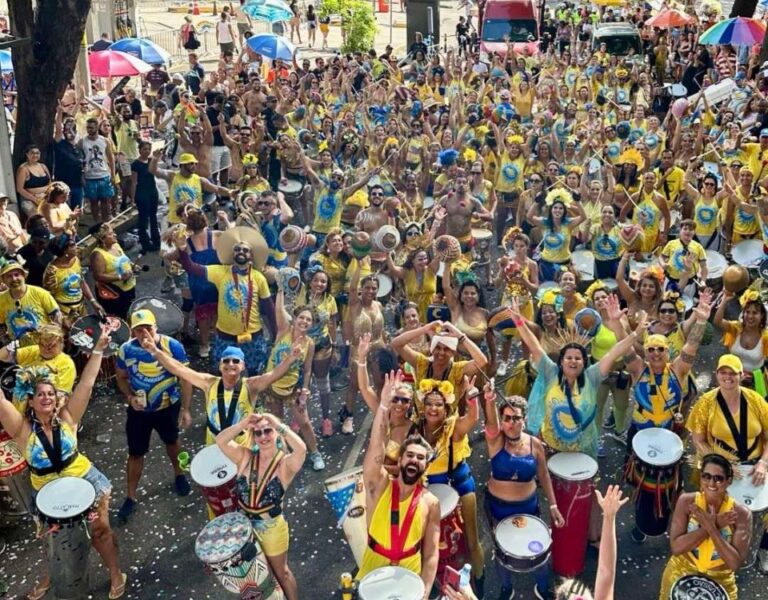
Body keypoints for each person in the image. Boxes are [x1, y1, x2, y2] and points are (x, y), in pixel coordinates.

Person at [0, 332, 127, 600]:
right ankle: (52, 575)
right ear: (31, 401)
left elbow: (88, 383)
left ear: (56, 398)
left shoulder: (68, 417)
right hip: (46, 493)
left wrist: (98, 349)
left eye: (50, 393)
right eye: (40, 394)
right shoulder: (21, 429)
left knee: (101, 532)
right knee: (52, 540)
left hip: (85, 481)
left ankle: (116, 572)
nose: (46, 397)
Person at [358, 370, 441, 596]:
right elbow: (376, 449)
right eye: (410, 455)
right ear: (400, 458)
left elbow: (432, 554)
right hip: (374, 571)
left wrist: (424, 593)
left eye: (421, 457)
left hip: (410, 576)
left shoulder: (431, 502)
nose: (414, 460)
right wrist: (383, 405)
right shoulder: (380, 485)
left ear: (426, 465)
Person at [482, 387, 564, 600]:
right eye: (506, 418)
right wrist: (489, 401)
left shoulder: (535, 444)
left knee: (537, 551)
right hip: (499, 509)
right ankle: (506, 588)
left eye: (516, 418)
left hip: (529, 507)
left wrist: (553, 506)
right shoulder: (496, 441)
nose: (511, 423)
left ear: (524, 420)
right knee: (502, 553)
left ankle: (543, 586)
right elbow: (491, 424)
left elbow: (544, 475)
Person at [216, 411, 306, 600]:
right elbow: (221, 440)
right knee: (253, 577)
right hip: (244, 528)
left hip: (271, 528)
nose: (263, 436)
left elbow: (301, 450)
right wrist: (242, 424)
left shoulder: (285, 463)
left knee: (282, 573)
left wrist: (279, 424)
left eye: (268, 431)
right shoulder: (244, 456)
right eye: (258, 433)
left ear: (276, 433)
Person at [114, 309, 193, 524]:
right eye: (139, 330)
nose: (144, 333)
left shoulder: (171, 346)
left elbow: (186, 378)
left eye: (148, 328)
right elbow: (120, 376)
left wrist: (186, 409)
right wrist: (130, 397)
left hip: (168, 406)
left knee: (173, 441)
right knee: (135, 452)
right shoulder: (125, 350)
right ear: (132, 331)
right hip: (140, 411)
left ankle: (180, 475)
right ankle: (130, 496)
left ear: (155, 327)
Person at [175, 229, 277, 374]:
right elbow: (191, 268)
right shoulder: (220, 272)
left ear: (251, 256)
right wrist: (182, 249)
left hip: (252, 337)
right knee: (224, 374)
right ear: (232, 254)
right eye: (237, 249)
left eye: (245, 250)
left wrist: (276, 335)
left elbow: (269, 309)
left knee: (254, 375)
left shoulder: (259, 278)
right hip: (225, 337)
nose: (241, 251)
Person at [658, 454, 752, 600]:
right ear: (700, 478)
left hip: (720, 581)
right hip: (681, 571)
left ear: (729, 480)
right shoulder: (686, 501)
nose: (712, 483)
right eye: (706, 476)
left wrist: (712, 528)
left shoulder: (740, 514)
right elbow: (676, 548)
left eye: (718, 478)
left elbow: (734, 563)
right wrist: (713, 525)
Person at [263, 287, 325, 470]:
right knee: (277, 422)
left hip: (293, 389)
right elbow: (278, 310)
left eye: (309, 320)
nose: (304, 321)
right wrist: (281, 289)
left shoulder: (310, 344)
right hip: (272, 386)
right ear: (295, 319)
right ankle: (280, 456)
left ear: (312, 325)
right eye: (302, 318)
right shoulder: (283, 331)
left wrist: (305, 390)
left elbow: (307, 370)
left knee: (304, 422)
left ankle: (314, 453)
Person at [43, 233, 104, 330]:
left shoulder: (75, 260)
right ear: (64, 251)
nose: (76, 246)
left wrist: (93, 302)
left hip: (81, 308)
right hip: (65, 312)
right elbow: (48, 298)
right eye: (72, 245)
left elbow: (82, 282)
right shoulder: (52, 272)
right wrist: (61, 318)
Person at [0, 261, 61, 344]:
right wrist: (6, 342)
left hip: (43, 345)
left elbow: (57, 315)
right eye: (9, 276)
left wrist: (54, 339)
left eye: (17, 275)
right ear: (3, 280)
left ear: (24, 276)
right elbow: (1, 326)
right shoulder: (1, 299)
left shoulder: (40, 293)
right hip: (18, 349)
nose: (14, 279)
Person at [88, 222, 137, 319]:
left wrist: (132, 265)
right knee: (119, 318)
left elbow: (124, 259)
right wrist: (120, 277)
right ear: (102, 239)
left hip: (129, 287)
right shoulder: (98, 255)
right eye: (110, 234)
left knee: (129, 313)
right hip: (114, 293)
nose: (115, 235)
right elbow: (98, 276)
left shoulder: (116, 245)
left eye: (113, 232)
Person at [131, 141, 161, 253]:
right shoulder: (135, 164)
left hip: (152, 191)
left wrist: (157, 157)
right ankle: (145, 242)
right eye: (144, 149)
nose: (147, 151)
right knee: (143, 219)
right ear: (139, 150)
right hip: (142, 193)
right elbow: (134, 182)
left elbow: (157, 170)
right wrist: (133, 198)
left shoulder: (151, 161)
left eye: (148, 149)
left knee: (153, 217)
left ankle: (156, 240)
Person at [15, 145, 52, 218]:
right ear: (27, 155)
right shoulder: (23, 169)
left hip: (45, 198)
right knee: (38, 219)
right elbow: (19, 189)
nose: (35, 155)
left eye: (37, 153)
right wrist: (35, 199)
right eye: (32, 153)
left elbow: (50, 183)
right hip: (29, 200)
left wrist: (45, 194)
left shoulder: (43, 166)